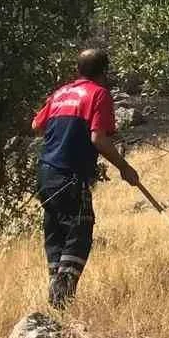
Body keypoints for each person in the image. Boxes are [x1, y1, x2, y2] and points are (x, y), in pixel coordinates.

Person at [31, 48, 139, 309]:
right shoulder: (99, 93)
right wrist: (125, 167)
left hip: (45, 174)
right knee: (80, 228)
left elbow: (37, 126)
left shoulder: (61, 93)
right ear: (104, 72)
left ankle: (57, 302)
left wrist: (67, 130)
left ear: (78, 70)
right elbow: (98, 139)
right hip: (70, 175)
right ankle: (61, 298)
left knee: (58, 232)